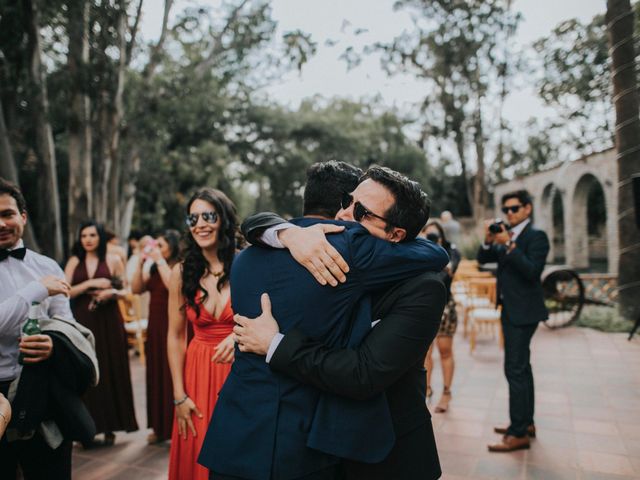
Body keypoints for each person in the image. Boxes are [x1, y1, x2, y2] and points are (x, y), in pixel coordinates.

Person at [200, 164, 449, 480]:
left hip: (387, 453)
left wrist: (274, 344)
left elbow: (363, 373)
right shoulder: (326, 250)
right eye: (346, 200)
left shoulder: (422, 286)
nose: (343, 213)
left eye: (360, 210)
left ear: (396, 233)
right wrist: (285, 232)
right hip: (315, 443)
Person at [0, 177, 90, 478]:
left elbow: (68, 325)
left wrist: (55, 344)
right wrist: (36, 290)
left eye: (7, 214)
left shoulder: (48, 266)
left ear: (22, 217)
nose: (1, 223)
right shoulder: (42, 280)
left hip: (45, 389)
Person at [167, 188, 238, 480]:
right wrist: (179, 396)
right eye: (193, 218)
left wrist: (239, 334)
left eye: (208, 215)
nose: (200, 224)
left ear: (223, 219)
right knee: (197, 453)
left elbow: (272, 317)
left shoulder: (247, 263)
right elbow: (174, 335)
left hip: (239, 372)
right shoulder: (182, 272)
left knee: (236, 452)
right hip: (197, 374)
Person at [477, 189, 549, 452]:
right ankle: (525, 422)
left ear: (528, 209)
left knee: (514, 369)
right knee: (522, 368)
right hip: (510, 309)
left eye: (514, 208)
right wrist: (488, 241)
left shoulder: (535, 237)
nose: (509, 213)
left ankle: (518, 433)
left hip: (525, 312)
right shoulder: (507, 235)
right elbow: (483, 260)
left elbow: (532, 272)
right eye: (505, 210)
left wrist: (508, 244)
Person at [64, 220, 138, 447]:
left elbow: (127, 291)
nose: (87, 239)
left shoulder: (114, 259)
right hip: (82, 321)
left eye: (92, 235)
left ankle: (110, 426)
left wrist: (111, 293)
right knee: (84, 371)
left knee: (109, 369)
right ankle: (86, 428)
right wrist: (91, 284)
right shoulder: (75, 261)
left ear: (100, 238)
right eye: (84, 235)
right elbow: (65, 291)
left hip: (109, 321)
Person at [131, 229, 181, 444]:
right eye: (155, 245)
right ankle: (158, 427)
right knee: (155, 374)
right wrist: (142, 261)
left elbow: (173, 286)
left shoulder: (178, 267)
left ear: (172, 246)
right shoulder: (152, 267)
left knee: (171, 376)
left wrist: (159, 260)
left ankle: (175, 427)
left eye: (161, 245)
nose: (156, 250)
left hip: (173, 326)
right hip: (154, 326)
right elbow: (136, 289)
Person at [423, 220, 461, 414]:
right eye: (426, 235)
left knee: (445, 350)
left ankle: (446, 392)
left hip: (445, 306)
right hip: (424, 307)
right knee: (425, 353)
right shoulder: (418, 250)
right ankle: (427, 390)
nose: (430, 238)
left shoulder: (450, 251)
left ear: (441, 237)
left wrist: (435, 250)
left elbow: (447, 274)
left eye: (434, 236)